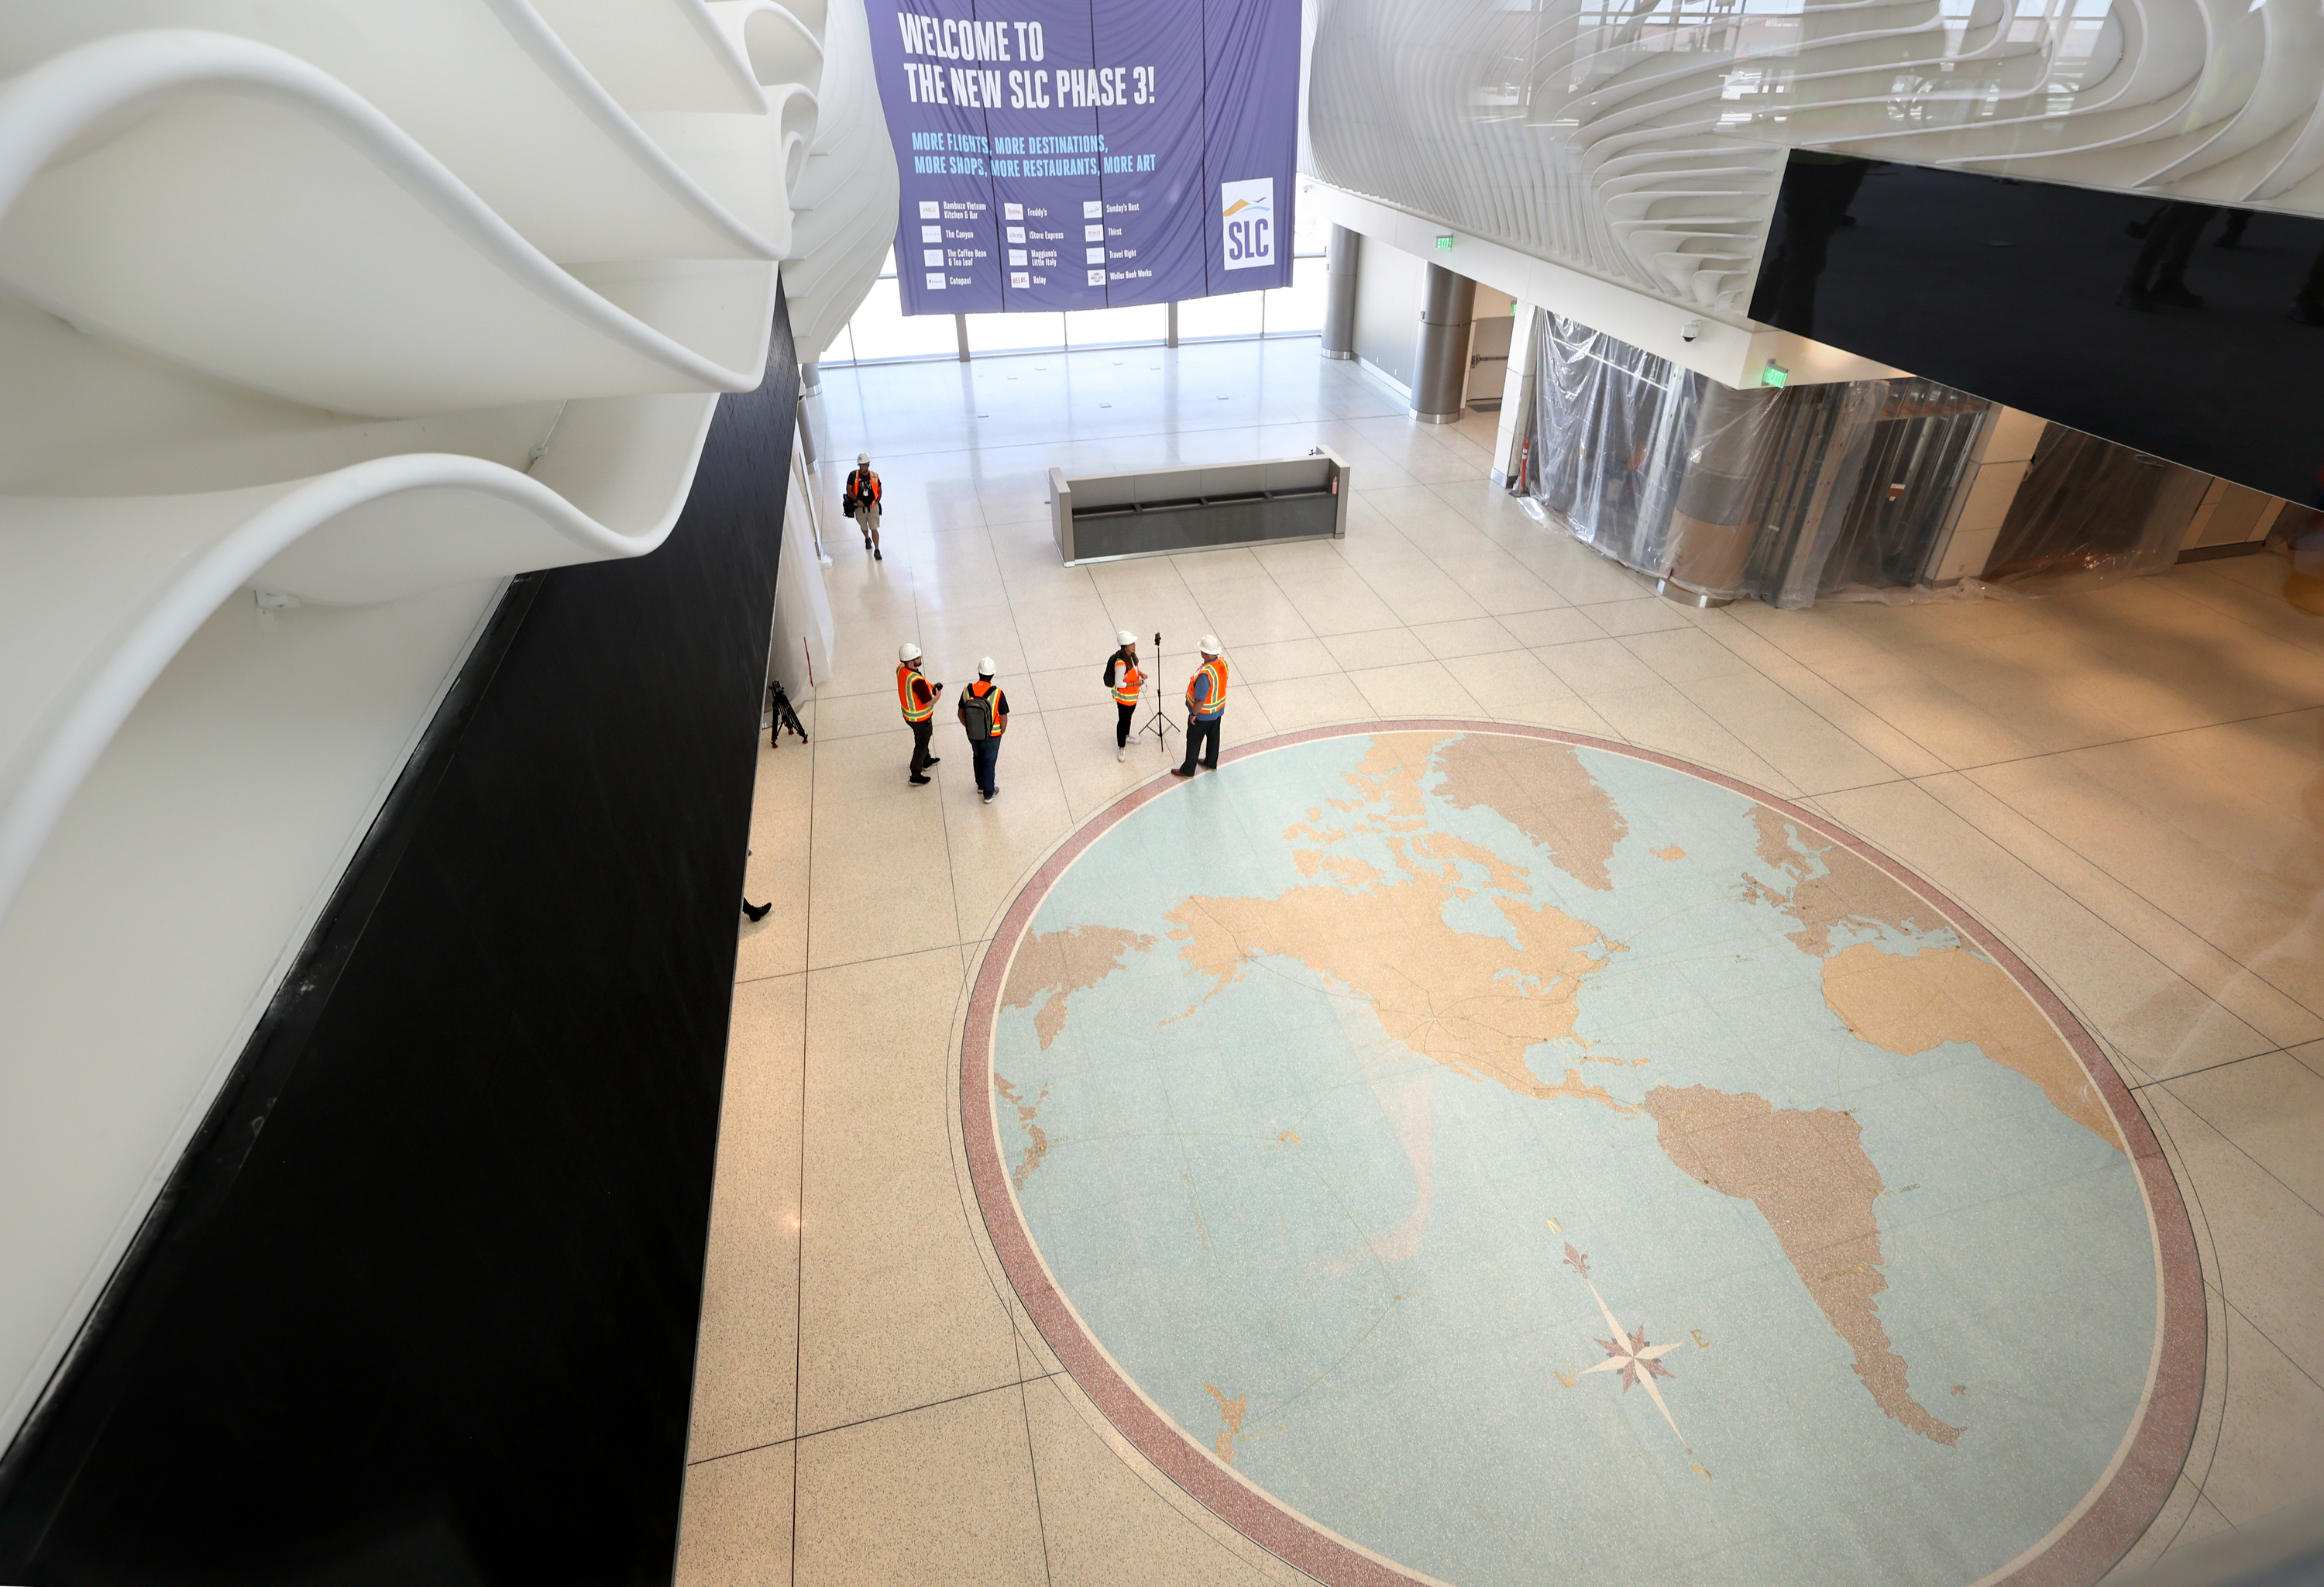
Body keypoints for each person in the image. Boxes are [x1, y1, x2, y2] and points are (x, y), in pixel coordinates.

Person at [1171, 636, 1226, 779]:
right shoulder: (1222, 664)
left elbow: (1200, 698)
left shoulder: (1205, 674)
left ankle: (1188, 770)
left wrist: (1194, 714)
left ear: (1206, 654)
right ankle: (1210, 762)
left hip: (1203, 715)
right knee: (1214, 737)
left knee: (1194, 741)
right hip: (1218, 711)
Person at [957, 658, 1009, 803]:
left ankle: (980, 785)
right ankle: (989, 792)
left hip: (974, 734)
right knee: (989, 762)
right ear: (993, 674)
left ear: (979, 672)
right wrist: (1001, 732)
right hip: (992, 736)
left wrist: (969, 728)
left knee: (977, 756)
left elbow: (960, 713)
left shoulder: (967, 690)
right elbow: (1003, 718)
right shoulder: (998, 693)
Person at [896, 642, 941, 785]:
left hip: (909, 716)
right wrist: (938, 695)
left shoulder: (901, 669)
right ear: (911, 662)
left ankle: (926, 760)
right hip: (920, 719)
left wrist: (931, 688)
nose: (920, 657)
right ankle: (915, 774)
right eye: (917, 657)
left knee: (923, 739)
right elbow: (929, 702)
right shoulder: (916, 682)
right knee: (921, 744)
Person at [1103, 630, 1143, 762]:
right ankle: (1121, 747)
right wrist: (1135, 683)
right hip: (1124, 700)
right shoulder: (1121, 663)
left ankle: (1127, 735)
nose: (1134, 645)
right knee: (1123, 721)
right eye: (1131, 643)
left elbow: (1133, 671)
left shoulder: (1132, 657)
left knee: (1128, 719)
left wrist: (1141, 674)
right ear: (1124, 646)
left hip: (1132, 698)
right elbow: (1119, 683)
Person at [844, 452, 884, 559]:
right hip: (859, 508)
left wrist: (876, 502)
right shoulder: (853, 475)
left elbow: (879, 490)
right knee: (863, 527)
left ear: (868, 465)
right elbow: (849, 490)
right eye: (860, 465)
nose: (862, 468)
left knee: (874, 528)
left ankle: (877, 549)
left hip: (872, 507)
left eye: (864, 465)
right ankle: (867, 538)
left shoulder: (874, 477)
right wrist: (857, 501)